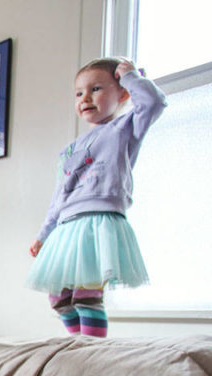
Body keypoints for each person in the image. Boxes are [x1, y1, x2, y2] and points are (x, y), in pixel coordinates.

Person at [26, 57, 167, 337]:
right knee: (59, 298)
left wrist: (129, 76)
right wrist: (44, 234)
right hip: (66, 227)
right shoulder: (68, 151)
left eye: (96, 89)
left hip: (99, 222)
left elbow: (153, 103)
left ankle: (92, 349)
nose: (85, 98)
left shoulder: (123, 129)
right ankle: (80, 343)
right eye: (79, 93)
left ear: (122, 94)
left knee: (86, 296)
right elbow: (59, 196)